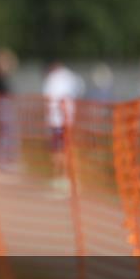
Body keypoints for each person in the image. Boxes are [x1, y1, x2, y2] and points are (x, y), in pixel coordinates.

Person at [42, 60, 84, 191]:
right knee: (68, 148)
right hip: (68, 120)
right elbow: (80, 90)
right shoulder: (71, 76)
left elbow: (47, 97)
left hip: (56, 120)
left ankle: (60, 178)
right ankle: (71, 178)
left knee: (58, 150)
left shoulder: (51, 79)